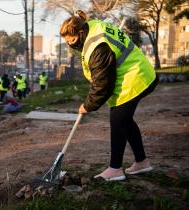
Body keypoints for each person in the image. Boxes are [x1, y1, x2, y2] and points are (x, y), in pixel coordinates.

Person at [60, 10, 158, 181]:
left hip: (135, 76)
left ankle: (115, 169)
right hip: (137, 71)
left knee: (118, 119)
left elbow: (103, 86)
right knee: (125, 120)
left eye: (73, 41)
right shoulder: (92, 26)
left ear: (81, 33)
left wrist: (88, 105)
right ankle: (142, 162)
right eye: (67, 42)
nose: (71, 45)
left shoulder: (97, 47)